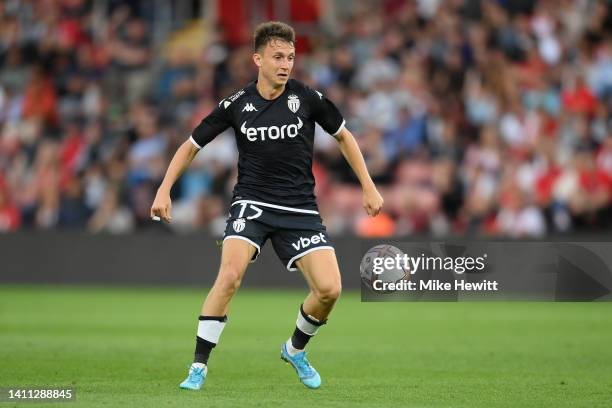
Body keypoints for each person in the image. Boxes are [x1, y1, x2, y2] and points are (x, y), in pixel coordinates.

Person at [150, 21, 383, 390]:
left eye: (290, 57)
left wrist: (368, 187)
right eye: (277, 56)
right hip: (252, 204)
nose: (285, 64)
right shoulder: (237, 104)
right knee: (229, 276)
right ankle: (198, 367)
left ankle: (295, 349)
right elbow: (191, 145)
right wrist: (164, 188)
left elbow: (345, 137)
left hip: (300, 209)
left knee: (330, 291)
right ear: (257, 58)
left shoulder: (307, 98)